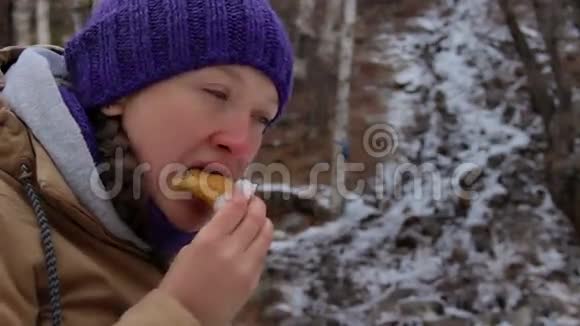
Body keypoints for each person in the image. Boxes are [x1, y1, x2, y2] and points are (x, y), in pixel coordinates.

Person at [0, 0, 294, 325]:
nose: (240, 143)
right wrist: (183, 311)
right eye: (216, 93)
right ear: (116, 93)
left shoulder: (180, 251)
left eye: (262, 119)